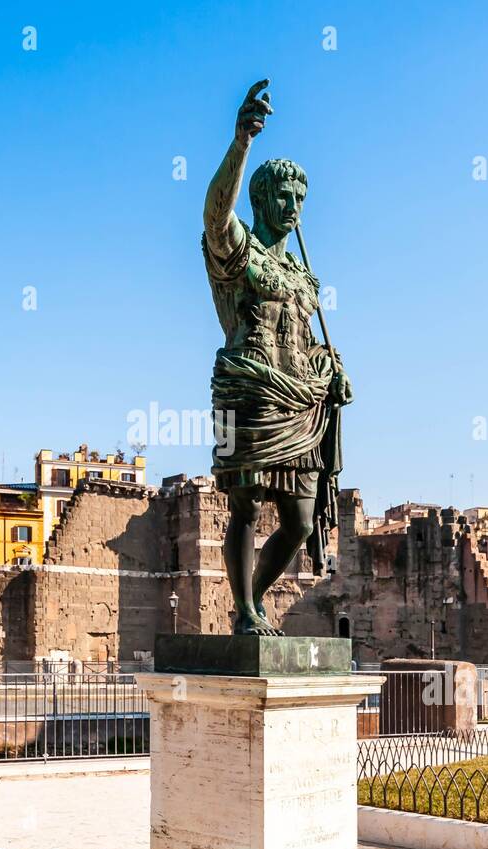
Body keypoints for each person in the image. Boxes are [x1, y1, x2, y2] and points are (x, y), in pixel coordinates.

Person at [202, 79, 353, 635]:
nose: (291, 207)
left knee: (299, 521)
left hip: (301, 403)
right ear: (261, 200)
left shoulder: (303, 275)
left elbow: (309, 338)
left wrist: (332, 372)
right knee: (244, 504)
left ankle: (255, 599)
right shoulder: (240, 253)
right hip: (246, 391)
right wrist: (242, 142)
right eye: (282, 198)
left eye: (299, 200)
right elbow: (215, 214)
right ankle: (242, 613)